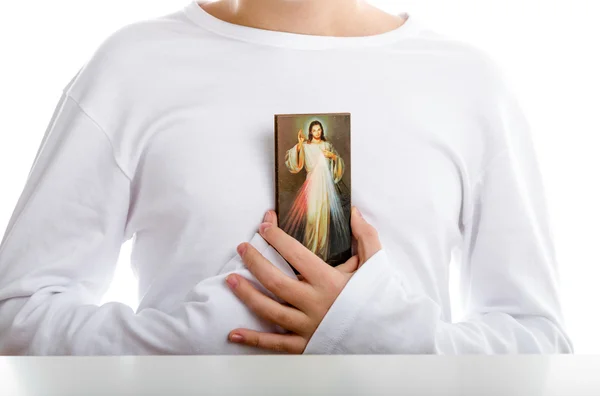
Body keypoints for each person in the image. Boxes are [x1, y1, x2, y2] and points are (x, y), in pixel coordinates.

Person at [0, 0, 573, 355]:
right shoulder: (131, 66)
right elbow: (16, 314)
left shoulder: (470, 84)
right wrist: (193, 341)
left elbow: (539, 341)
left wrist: (386, 337)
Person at [282, 122, 349, 263]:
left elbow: (338, 164)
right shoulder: (306, 146)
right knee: (312, 217)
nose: (317, 132)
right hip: (312, 184)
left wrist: (333, 157)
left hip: (325, 186)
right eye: (314, 130)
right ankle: (310, 253)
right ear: (310, 132)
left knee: (323, 218)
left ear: (321, 131)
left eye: (319, 130)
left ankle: (321, 254)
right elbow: (297, 165)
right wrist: (300, 144)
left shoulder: (327, 145)